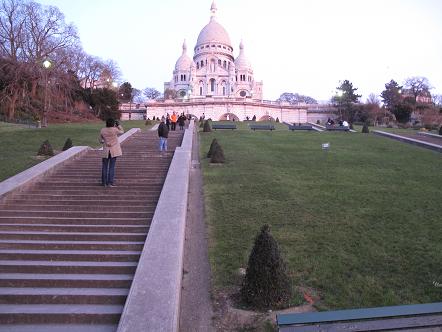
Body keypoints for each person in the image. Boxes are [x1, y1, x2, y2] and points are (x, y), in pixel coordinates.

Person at [99, 118, 124, 187]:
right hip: (114, 150)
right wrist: (118, 125)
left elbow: (100, 140)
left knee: (104, 167)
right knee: (111, 167)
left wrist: (105, 142)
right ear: (113, 123)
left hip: (106, 150)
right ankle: (110, 182)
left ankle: (104, 182)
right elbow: (122, 131)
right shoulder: (115, 129)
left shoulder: (103, 130)